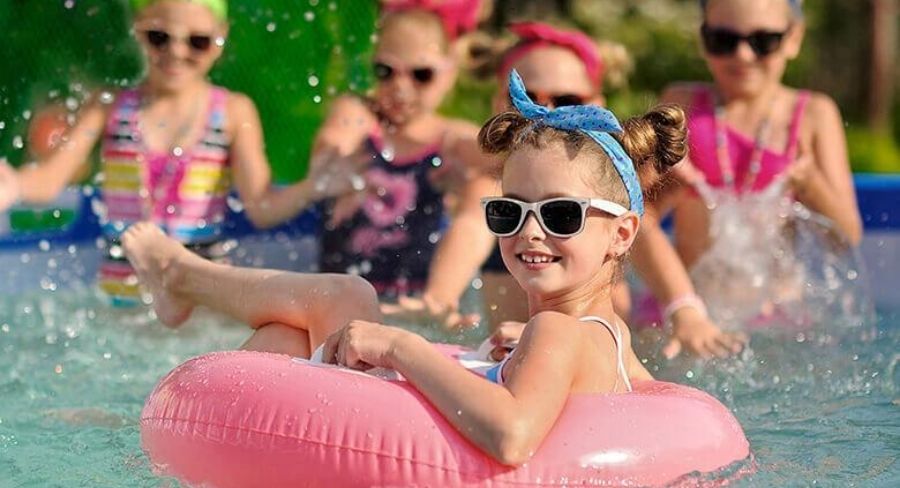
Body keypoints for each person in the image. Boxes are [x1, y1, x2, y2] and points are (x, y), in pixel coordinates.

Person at [120, 70, 680, 464]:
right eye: (509, 212)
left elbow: (512, 436)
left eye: (561, 215)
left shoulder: (557, 330)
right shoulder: (605, 336)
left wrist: (398, 348)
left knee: (344, 298)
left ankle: (182, 277)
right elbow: (651, 399)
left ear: (622, 232)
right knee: (286, 339)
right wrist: (529, 359)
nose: (530, 231)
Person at [0, 0, 320, 305]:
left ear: (221, 35)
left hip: (204, 300)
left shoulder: (234, 112)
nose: (176, 52)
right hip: (123, 299)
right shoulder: (108, 107)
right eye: (159, 37)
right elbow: (50, 179)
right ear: (138, 29)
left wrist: (317, 184)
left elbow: (262, 206)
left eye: (197, 42)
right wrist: (14, 183)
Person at [629, 0, 863, 358]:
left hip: (776, 316)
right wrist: (680, 305)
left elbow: (846, 236)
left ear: (793, 38)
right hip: (685, 308)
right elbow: (635, 217)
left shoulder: (814, 115)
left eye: (763, 41)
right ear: (702, 38)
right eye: (722, 40)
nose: (742, 55)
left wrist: (811, 182)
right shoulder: (683, 105)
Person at [382, 21, 633, 330]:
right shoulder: (493, 181)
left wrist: (681, 305)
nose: (545, 114)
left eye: (566, 101)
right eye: (524, 99)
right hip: (514, 340)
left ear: (597, 107)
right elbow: (471, 227)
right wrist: (440, 298)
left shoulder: (614, 184)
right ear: (499, 105)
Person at [291, 1, 494, 299]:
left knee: (486, 187)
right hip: (340, 296)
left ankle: (440, 301)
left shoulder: (451, 140)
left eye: (421, 74)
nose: (401, 87)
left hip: (409, 302)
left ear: (449, 73)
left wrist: (470, 178)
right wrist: (337, 156)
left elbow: (505, 160)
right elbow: (336, 138)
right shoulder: (359, 116)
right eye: (386, 71)